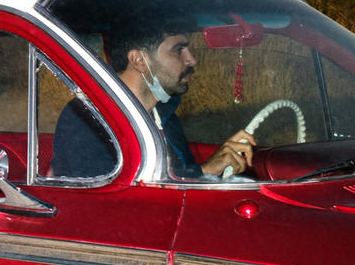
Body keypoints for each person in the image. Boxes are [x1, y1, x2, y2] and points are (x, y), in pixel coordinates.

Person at [52, 14, 255, 179]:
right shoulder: (87, 118)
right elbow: (112, 202)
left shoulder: (164, 115)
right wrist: (204, 171)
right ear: (139, 60)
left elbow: (180, 179)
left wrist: (212, 168)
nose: (191, 60)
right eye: (178, 50)